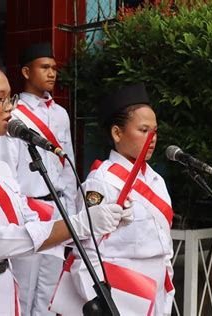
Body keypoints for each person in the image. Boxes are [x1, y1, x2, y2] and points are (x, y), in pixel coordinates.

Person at [0, 39, 130, 315]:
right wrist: (80, 225)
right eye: (0, 98)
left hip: (2, 286)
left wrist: (98, 216)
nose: (9, 108)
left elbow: (29, 223)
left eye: (10, 98)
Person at [54, 83, 175, 315]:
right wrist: (105, 303)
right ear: (117, 133)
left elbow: (165, 244)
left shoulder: (156, 180)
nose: (152, 138)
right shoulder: (101, 181)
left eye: (155, 131)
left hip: (157, 292)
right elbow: (86, 254)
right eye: (143, 130)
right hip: (121, 295)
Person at [0, 42, 77, 315]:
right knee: (24, 287)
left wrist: (73, 214)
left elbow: (68, 163)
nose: (52, 73)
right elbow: (7, 167)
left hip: (56, 209)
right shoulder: (13, 113)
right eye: (45, 67)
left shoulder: (61, 114)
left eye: (54, 68)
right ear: (27, 72)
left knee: (50, 289)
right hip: (28, 209)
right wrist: (15, 215)